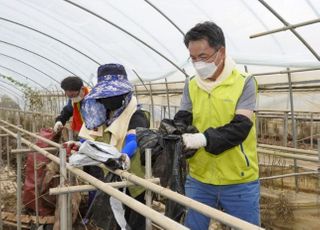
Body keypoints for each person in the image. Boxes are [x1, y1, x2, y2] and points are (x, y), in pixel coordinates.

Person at [174, 21, 260, 229]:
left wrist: (204, 139)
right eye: (193, 58)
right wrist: (173, 132)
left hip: (239, 179)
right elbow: (183, 118)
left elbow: (241, 126)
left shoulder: (244, 81)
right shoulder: (191, 84)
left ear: (221, 52)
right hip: (199, 177)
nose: (198, 64)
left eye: (203, 57)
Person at [80, 63, 149, 230]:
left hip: (134, 180)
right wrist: (77, 145)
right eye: (106, 95)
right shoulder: (100, 113)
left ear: (124, 93)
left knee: (135, 218)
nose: (109, 99)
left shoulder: (137, 114)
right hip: (111, 175)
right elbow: (87, 137)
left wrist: (123, 155)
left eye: (114, 95)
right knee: (116, 219)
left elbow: (132, 139)